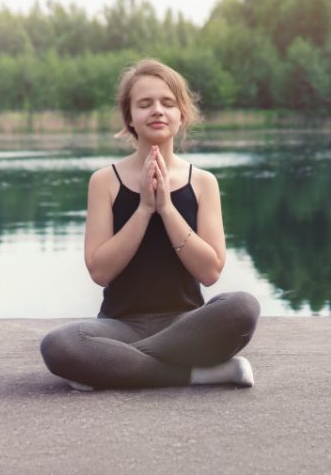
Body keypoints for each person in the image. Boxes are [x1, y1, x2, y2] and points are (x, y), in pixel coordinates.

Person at [40, 59, 260, 390]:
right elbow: (100, 272)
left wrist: (167, 209)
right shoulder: (105, 182)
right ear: (130, 117)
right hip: (119, 325)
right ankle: (197, 374)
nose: (157, 110)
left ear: (181, 114)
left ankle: (112, 364)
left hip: (187, 325)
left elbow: (210, 272)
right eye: (145, 104)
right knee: (59, 345)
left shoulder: (202, 182)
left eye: (167, 103)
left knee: (243, 308)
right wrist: (143, 208)